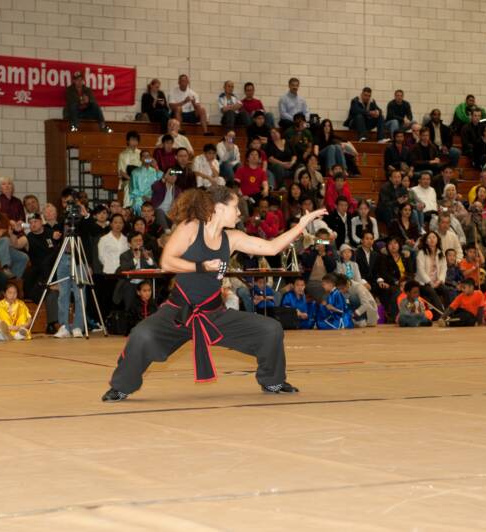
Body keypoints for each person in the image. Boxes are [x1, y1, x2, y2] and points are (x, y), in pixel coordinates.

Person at [102, 186, 327, 402]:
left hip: (214, 314)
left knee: (271, 330)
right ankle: (121, 387)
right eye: (235, 207)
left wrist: (301, 226)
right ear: (219, 207)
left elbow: (272, 248)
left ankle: (273, 382)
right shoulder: (191, 227)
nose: (239, 212)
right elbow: (167, 261)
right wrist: (201, 266)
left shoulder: (233, 238)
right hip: (178, 313)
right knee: (142, 335)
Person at [0, 194, 29, 279]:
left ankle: (13, 282)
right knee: (5, 240)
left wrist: (5, 231)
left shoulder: (4, 216)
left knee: (23, 257)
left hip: (3, 246)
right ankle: (5, 267)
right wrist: (5, 232)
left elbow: (7, 232)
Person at [117, 131, 142, 206]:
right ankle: (127, 208)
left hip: (140, 179)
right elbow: (121, 172)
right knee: (130, 186)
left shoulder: (142, 154)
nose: (134, 142)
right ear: (128, 141)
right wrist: (132, 179)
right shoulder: (122, 154)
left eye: (136, 140)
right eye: (132, 140)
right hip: (128, 179)